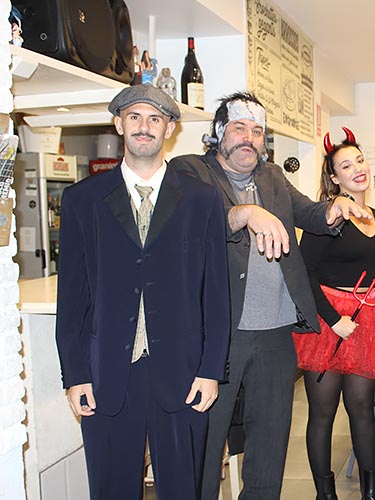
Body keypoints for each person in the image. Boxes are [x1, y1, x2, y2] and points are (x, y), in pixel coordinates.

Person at [169, 92, 370, 500]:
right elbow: (190, 222)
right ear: (219, 132)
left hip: (276, 333)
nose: (249, 138)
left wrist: (334, 208)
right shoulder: (189, 170)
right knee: (206, 442)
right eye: (239, 128)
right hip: (218, 336)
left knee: (270, 443)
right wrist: (245, 213)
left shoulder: (272, 176)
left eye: (257, 131)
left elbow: (308, 212)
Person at [55, 85, 230, 500]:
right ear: (119, 125)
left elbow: (216, 294)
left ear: (169, 128)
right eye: (134, 117)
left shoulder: (202, 199)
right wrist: (75, 375)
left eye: (155, 119)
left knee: (183, 489)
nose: (144, 127)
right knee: (111, 488)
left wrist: (211, 369)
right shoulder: (83, 199)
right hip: (107, 373)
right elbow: (72, 298)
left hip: (184, 372)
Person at [293, 127, 375, 500]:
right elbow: (304, 273)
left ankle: (371, 493)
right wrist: (333, 320)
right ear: (335, 177)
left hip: (366, 321)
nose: (357, 169)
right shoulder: (326, 217)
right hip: (327, 323)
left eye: (360, 160)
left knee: (362, 409)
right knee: (322, 414)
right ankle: (325, 495)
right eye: (346, 166)